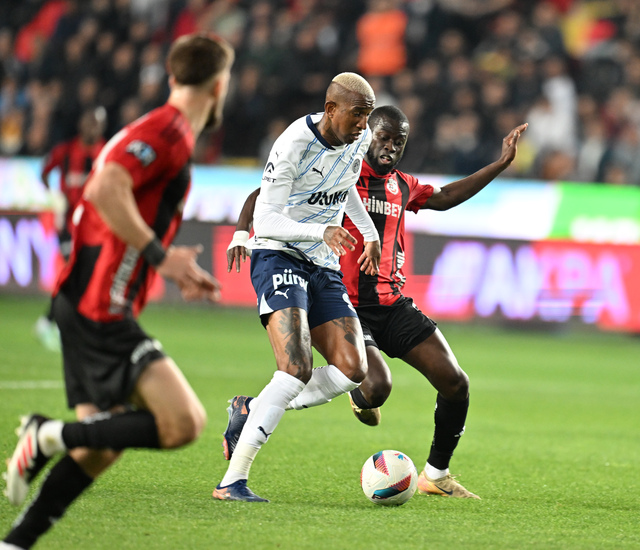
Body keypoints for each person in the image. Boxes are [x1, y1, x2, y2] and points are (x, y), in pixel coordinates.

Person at [2, 33, 234, 550]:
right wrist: (160, 256)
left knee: (100, 445)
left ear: (172, 77)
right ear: (219, 86)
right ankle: (45, 434)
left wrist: (166, 263)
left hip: (82, 299)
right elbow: (105, 186)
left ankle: (16, 543)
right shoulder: (169, 130)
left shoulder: (162, 129)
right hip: (98, 305)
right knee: (183, 422)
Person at [227, 105, 527, 500]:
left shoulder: (403, 185)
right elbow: (262, 194)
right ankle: (261, 407)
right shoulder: (341, 168)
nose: (390, 148)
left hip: (392, 303)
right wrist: (241, 232)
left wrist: (500, 164)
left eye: (399, 142)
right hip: (343, 303)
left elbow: (446, 196)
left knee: (456, 382)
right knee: (376, 386)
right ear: (367, 135)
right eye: (384, 138)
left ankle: (436, 475)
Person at [212, 72, 381, 503]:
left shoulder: (358, 139)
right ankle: (232, 481)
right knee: (295, 369)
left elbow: (344, 188)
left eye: (367, 115)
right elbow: (266, 218)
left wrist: (369, 234)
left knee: (352, 370)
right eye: (357, 114)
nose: (363, 124)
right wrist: (320, 231)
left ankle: (250, 408)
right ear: (331, 109)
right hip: (279, 255)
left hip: (322, 263)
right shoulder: (293, 144)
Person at [34, 106, 107, 352]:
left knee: (81, 277)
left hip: (94, 226)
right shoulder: (65, 151)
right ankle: (56, 324)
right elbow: (44, 172)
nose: (93, 128)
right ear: (81, 125)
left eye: (98, 123)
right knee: (76, 272)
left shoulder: (106, 153)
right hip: (68, 225)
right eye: (90, 122)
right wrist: (54, 196)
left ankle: (50, 321)